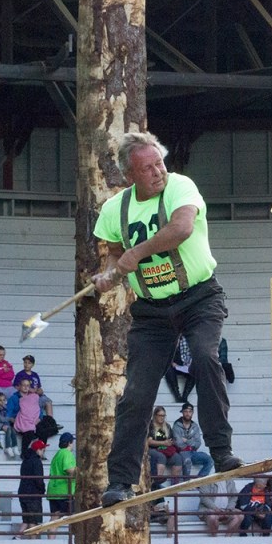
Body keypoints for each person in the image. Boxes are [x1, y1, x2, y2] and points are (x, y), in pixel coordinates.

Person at [91, 132, 239, 507]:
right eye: (149, 167)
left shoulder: (179, 186)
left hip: (199, 296)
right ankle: (121, 481)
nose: (159, 171)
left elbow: (182, 228)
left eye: (159, 162)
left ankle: (222, 450)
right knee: (137, 394)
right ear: (130, 176)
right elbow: (114, 254)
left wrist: (136, 253)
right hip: (152, 311)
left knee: (206, 357)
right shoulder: (114, 210)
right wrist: (109, 273)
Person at [172, 402, 214, 478]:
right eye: (186, 411)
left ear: (192, 413)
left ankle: (198, 481)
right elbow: (179, 444)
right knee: (187, 460)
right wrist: (191, 442)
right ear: (182, 412)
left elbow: (198, 443)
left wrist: (187, 441)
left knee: (210, 460)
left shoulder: (195, 426)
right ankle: (186, 484)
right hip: (181, 452)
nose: (188, 414)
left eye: (190, 411)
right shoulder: (176, 425)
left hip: (193, 452)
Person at [45, 433, 76, 529]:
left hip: (53, 490)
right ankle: (74, 538)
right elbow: (68, 469)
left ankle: (51, 540)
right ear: (70, 443)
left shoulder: (57, 454)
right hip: (65, 490)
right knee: (74, 515)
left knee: (54, 517)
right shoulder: (67, 454)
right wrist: (81, 471)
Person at [16, 439, 46, 535]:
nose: (43, 452)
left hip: (23, 492)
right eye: (42, 450)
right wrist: (42, 490)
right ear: (38, 450)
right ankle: (33, 542)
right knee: (33, 520)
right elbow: (39, 479)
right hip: (33, 493)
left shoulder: (25, 460)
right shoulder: (37, 461)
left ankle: (17, 537)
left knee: (27, 519)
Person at [148, 406, 183, 482]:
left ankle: (174, 487)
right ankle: (157, 481)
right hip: (152, 449)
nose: (162, 418)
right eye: (160, 415)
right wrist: (163, 443)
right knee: (161, 456)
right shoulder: (150, 425)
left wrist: (171, 442)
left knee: (178, 458)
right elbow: (149, 441)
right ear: (155, 415)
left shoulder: (167, 426)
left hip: (164, 449)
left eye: (163, 415)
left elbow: (171, 440)